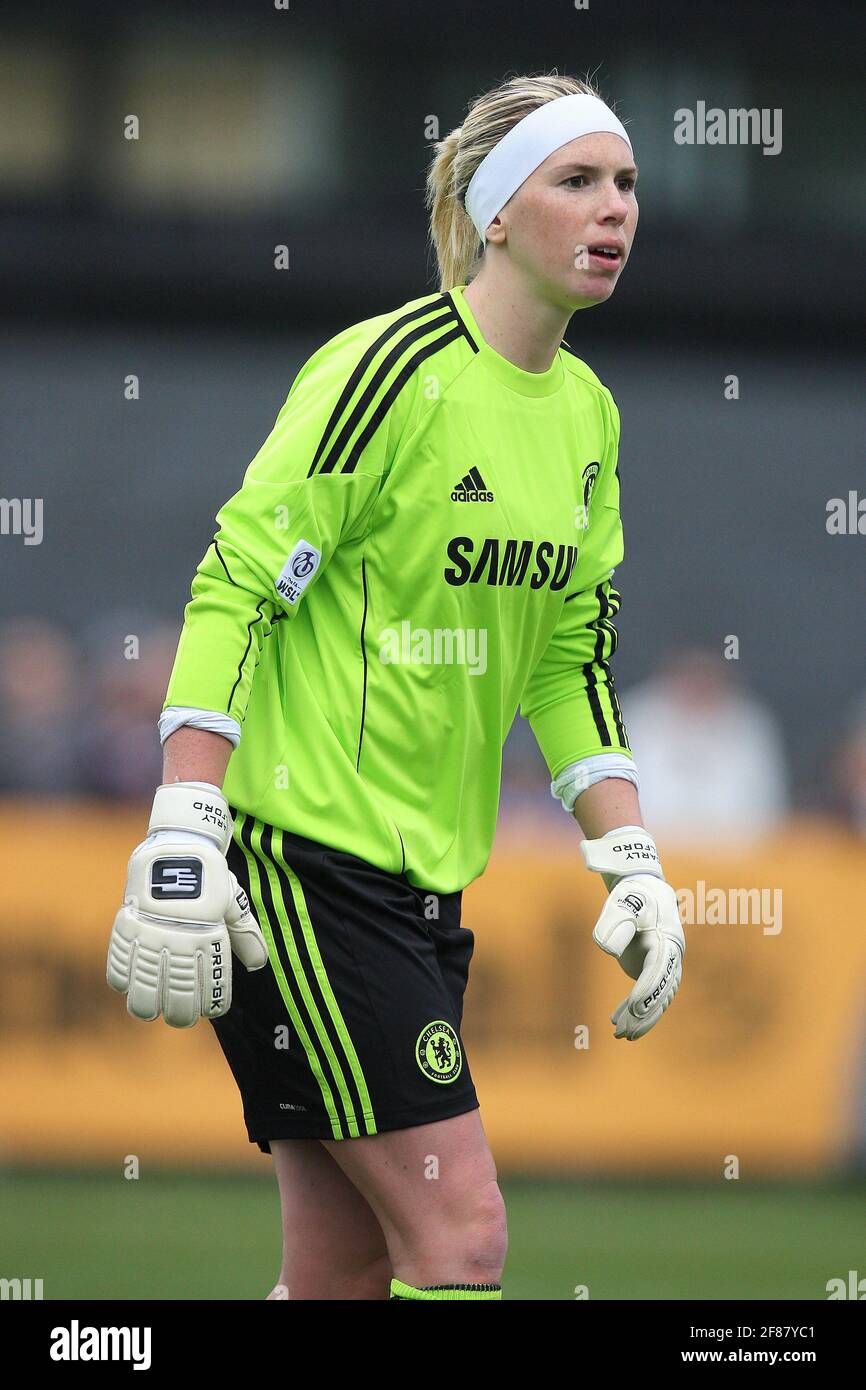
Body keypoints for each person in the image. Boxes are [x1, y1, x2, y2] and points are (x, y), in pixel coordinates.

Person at [106, 70, 686, 1302]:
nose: (613, 210)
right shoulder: (388, 370)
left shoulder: (586, 417)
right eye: (574, 181)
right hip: (300, 867)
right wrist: (184, 821)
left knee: (340, 1271)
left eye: (625, 184)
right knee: (461, 1236)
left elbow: (566, 656)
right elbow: (238, 584)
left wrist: (628, 856)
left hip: (421, 884)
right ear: (489, 212)